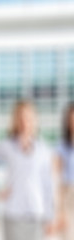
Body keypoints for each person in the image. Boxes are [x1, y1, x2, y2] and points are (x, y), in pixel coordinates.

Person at [0, 100, 55, 240]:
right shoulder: (4, 147)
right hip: (13, 213)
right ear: (15, 120)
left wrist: (50, 216)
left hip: (36, 213)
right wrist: (0, 187)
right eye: (21, 118)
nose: (25, 122)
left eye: (29, 118)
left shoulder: (43, 150)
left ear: (35, 120)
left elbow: (47, 185)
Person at [56, 102, 74, 240]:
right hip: (69, 193)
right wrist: (60, 210)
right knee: (68, 235)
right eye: (71, 119)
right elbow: (58, 179)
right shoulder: (62, 147)